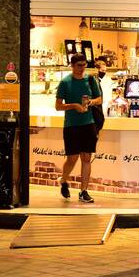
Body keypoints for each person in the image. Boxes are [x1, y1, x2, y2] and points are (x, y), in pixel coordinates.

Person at [55, 53, 102, 203]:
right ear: (72, 65)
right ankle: (63, 180)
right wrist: (74, 106)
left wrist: (90, 103)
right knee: (72, 158)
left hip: (89, 124)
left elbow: (100, 98)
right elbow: (58, 106)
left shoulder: (90, 79)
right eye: (79, 65)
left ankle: (84, 191)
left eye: (84, 65)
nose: (82, 68)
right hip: (71, 125)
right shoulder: (65, 82)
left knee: (86, 157)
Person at [89, 58, 108, 135]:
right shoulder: (93, 80)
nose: (104, 73)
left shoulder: (99, 80)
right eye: (102, 71)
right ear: (97, 69)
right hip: (93, 115)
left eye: (105, 71)